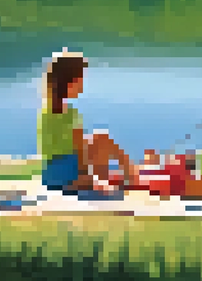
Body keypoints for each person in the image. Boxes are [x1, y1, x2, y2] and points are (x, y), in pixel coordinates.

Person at [38, 51, 141, 193]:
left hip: (50, 176)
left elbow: (58, 146)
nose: (82, 87)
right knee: (103, 139)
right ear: (71, 83)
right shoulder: (70, 115)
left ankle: (102, 179)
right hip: (68, 177)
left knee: (97, 139)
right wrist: (86, 176)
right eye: (81, 82)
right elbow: (80, 150)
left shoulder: (46, 111)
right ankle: (132, 177)